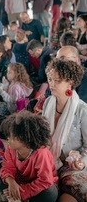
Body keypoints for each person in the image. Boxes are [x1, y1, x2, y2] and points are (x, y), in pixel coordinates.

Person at [43, 59, 87, 202]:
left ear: (70, 82)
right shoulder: (48, 102)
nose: (52, 84)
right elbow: (42, 137)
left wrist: (81, 161)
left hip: (72, 166)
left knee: (69, 196)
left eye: (58, 80)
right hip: (48, 159)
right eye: (50, 79)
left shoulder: (82, 110)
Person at [0, 111, 58, 202]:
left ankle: (14, 196)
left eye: (11, 137)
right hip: (19, 181)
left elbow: (45, 180)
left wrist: (23, 192)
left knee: (50, 193)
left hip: (39, 185)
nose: (8, 139)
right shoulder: (10, 148)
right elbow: (7, 167)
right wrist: (11, 182)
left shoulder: (41, 153)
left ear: (26, 139)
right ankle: (13, 195)